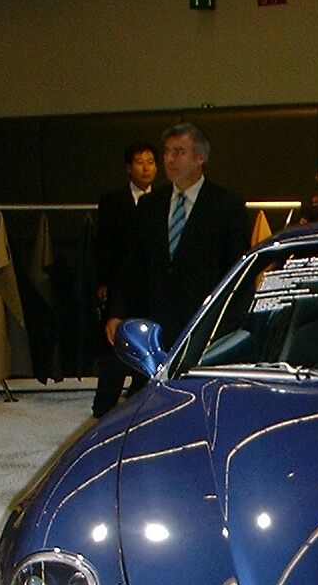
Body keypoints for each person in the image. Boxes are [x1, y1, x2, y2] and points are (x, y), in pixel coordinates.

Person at [107, 122, 248, 350]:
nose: (169, 159)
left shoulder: (226, 205)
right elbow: (132, 264)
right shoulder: (150, 204)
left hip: (204, 323)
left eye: (179, 152)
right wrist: (117, 312)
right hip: (154, 323)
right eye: (166, 152)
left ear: (199, 158)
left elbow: (235, 269)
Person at [91, 141, 157, 417]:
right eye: (140, 162)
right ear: (129, 168)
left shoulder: (163, 201)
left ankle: (139, 398)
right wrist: (103, 282)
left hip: (152, 286)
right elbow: (104, 244)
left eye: (151, 161)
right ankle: (104, 405)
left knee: (150, 344)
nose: (146, 167)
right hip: (120, 284)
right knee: (115, 348)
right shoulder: (112, 201)